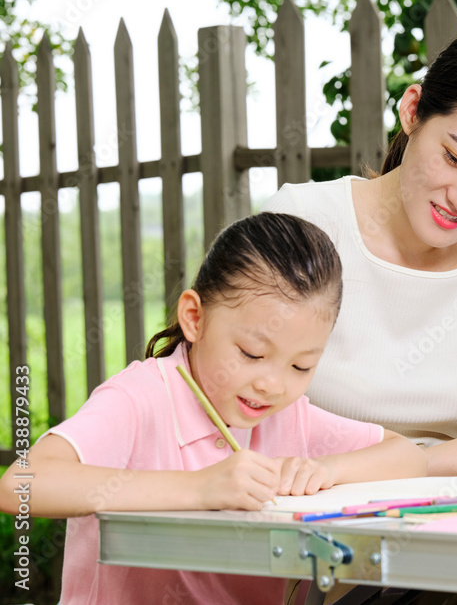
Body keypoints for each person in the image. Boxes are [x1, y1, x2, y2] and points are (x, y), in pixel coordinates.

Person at [0, 212, 427, 605]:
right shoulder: (143, 397)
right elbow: (20, 485)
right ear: (194, 317)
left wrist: (328, 470)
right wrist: (201, 488)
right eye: (252, 352)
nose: (272, 384)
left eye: (302, 365)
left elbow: (408, 456)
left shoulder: (286, 414)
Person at [262, 26, 457, 476]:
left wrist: (387, 467)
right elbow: (228, 390)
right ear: (412, 111)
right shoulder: (304, 219)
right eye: (454, 158)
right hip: (302, 500)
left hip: (445, 509)